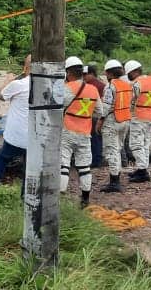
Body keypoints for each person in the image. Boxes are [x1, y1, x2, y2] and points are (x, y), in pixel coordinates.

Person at [0, 55, 31, 199]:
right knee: (29, 168)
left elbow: (0, 96)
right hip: (35, 138)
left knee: (1, 158)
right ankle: (26, 198)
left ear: (25, 67)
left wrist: (7, 81)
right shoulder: (46, 86)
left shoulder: (19, 84)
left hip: (16, 136)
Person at [60, 56, 99, 207]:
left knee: (64, 164)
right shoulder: (93, 89)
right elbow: (99, 110)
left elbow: (56, 105)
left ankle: (60, 195)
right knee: (84, 167)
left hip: (68, 131)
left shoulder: (67, 88)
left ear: (68, 72)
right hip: (85, 133)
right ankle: (85, 199)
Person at [97, 60, 134, 193]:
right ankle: (116, 177)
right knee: (118, 149)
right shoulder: (127, 85)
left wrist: (100, 120)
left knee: (111, 151)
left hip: (112, 121)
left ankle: (114, 181)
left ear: (109, 73)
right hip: (125, 120)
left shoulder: (110, 86)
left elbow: (106, 106)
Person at [125, 59, 151, 183]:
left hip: (139, 117)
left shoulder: (136, 84)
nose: (128, 76)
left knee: (135, 144)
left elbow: (131, 100)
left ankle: (142, 171)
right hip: (150, 115)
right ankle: (143, 168)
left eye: (128, 73)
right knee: (145, 144)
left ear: (134, 72)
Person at [84, 65, 106, 169]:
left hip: (94, 116)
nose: (84, 76)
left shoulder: (93, 86)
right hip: (99, 115)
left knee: (94, 139)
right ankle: (98, 158)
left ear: (92, 74)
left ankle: (96, 160)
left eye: (85, 74)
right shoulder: (102, 84)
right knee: (97, 139)